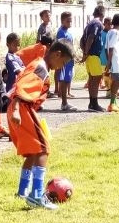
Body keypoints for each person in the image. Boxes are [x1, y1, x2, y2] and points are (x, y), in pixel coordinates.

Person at [8, 40, 76, 210]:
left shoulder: (40, 63)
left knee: (32, 153)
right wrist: (16, 110)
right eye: (64, 62)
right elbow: (21, 86)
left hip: (21, 108)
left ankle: (22, 192)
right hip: (22, 107)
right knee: (43, 149)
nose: (62, 66)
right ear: (57, 54)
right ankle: (37, 195)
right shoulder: (41, 67)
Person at [80, 6, 107, 112]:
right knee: (96, 78)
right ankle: (94, 103)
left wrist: (84, 52)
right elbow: (91, 37)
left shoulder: (89, 24)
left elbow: (82, 40)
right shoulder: (97, 24)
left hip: (89, 55)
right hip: (94, 54)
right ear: (102, 14)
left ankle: (92, 103)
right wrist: (86, 52)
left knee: (92, 79)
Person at [55, 11, 77, 111]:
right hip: (64, 60)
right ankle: (64, 103)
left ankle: (65, 101)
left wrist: (73, 56)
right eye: (68, 21)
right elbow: (60, 47)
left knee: (67, 79)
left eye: (71, 21)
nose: (70, 23)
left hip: (69, 60)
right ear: (62, 21)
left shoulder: (68, 33)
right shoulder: (61, 32)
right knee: (63, 80)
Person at [104, 14, 119, 112]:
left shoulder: (110, 32)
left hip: (115, 60)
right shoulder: (115, 33)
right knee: (118, 80)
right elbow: (111, 48)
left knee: (117, 80)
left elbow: (106, 48)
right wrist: (109, 62)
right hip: (115, 61)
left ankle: (114, 103)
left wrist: (108, 59)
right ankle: (112, 103)